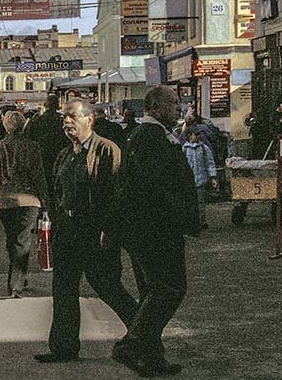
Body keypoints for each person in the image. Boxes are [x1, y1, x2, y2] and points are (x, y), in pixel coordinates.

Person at [36, 98, 138, 364]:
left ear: (89, 120)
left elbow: (118, 194)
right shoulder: (65, 153)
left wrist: (110, 229)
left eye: (73, 117)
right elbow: (58, 191)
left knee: (109, 289)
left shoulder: (107, 150)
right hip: (67, 232)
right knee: (64, 291)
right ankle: (63, 348)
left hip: (95, 233)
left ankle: (144, 338)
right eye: (64, 118)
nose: (67, 122)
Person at [112, 85, 200, 377]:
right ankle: (132, 344)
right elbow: (154, 187)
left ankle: (151, 359)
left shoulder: (149, 135)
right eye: (174, 103)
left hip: (147, 229)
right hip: (155, 229)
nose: (179, 108)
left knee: (152, 292)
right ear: (156, 107)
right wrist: (181, 214)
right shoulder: (149, 137)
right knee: (169, 288)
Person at [0, 111, 48, 297]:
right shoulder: (32, 147)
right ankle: (16, 283)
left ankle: (18, 277)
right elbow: (39, 177)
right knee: (22, 240)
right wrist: (46, 201)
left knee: (13, 240)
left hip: (4, 200)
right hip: (29, 199)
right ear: (24, 125)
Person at [26, 94, 71, 196]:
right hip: (59, 157)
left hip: (40, 158)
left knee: (42, 188)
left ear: (45, 106)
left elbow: (27, 140)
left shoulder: (35, 121)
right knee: (57, 188)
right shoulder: (62, 121)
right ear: (57, 106)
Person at [182, 127, 218, 229]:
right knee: (190, 204)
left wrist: (213, 177)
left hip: (200, 181)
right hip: (188, 182)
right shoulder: (184, 149)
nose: (198, 136)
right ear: (189, 135)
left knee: (201, 204)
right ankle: (191, 223)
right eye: (195, 134)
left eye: (198, 134)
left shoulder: (204, 148)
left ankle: (201, 223)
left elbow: (210, 163)